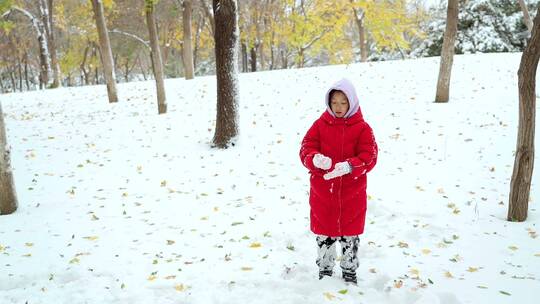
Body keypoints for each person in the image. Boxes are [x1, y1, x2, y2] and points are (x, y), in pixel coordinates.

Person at [299, 78, 378, 284]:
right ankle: (325, 269)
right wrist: (315, 159)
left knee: (349, 236)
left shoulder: (362, 128)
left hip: (352, 194)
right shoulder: (319, 125)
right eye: (335, 102)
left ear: (352, 102)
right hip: (323, 193)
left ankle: (349, 269)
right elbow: (306, 148)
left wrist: (351, 166)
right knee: (324, 234)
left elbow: (370, 156)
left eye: (344, 102)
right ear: (329, 102)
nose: (339, 107)